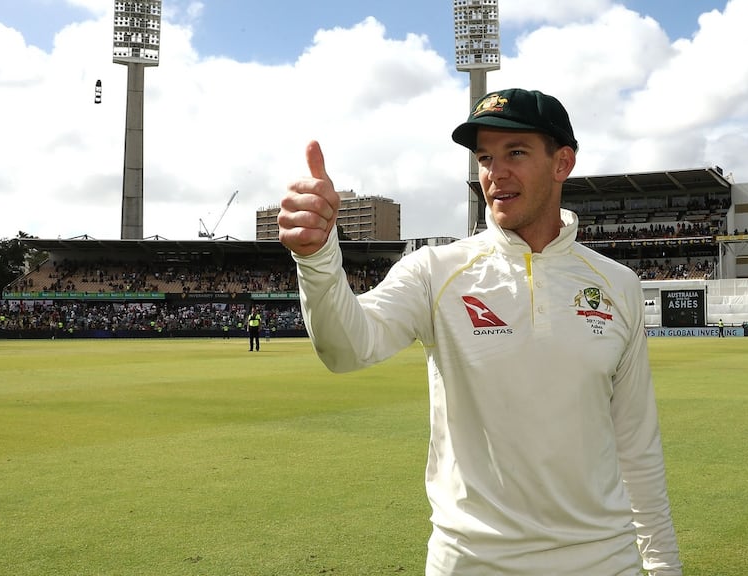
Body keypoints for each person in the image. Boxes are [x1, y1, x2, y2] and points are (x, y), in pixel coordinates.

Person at [279, 88, 682, 575]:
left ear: (562, 163)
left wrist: (662, 565)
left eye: (516, 152)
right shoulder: (434, 270)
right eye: (485, 157)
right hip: (473, 563)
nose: (495, 173)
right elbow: (347, 348)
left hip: (604, 561)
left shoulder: (617, 286)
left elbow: (636, 444)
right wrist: (318, 258)